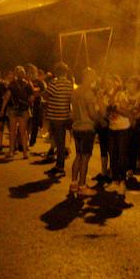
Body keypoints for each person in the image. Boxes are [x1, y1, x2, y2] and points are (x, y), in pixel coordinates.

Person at [68, 68, 102, 197]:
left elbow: (73, 112)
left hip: (76, 127)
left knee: (78, 155)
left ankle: (73, 184)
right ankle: (82, 186)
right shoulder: (89, 93)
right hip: (87, 127)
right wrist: (100, 119)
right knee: (85, 157)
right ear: (90, 77)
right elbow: (92, 113)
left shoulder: (75, 92)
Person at [43, 62, 74, 175]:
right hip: (65, 116)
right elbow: (71, 100)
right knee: (61, 142)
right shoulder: (69, 84)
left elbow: (45, 96)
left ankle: (60, 166)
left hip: (55, 117)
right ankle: (59, 165)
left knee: (59, 142)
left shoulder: (54, 83)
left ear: (57, 72)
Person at [2, 66, 33, 159]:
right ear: (24, 74)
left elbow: (7, 97)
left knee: (12, 132)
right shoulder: (28, 85)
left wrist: (2, 109)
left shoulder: (12, 84)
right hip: (24, 110)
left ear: (16, 74)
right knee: (23, 132)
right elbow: (31, 99)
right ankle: (25, 153)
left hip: (13, 109)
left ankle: (11, 151)